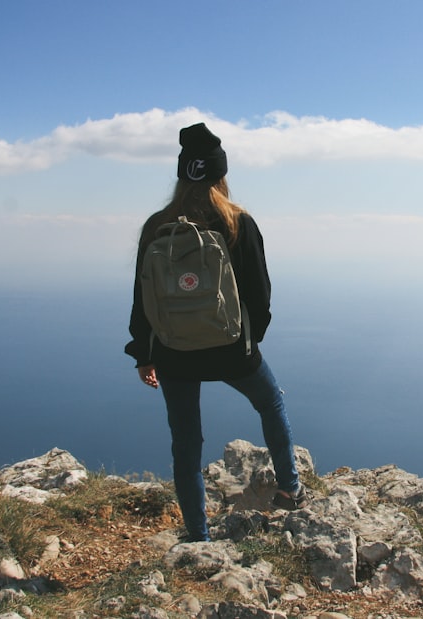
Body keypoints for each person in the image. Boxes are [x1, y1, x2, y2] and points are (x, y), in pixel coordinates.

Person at [125, 122, 307, 542]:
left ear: (181, 174)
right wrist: (248, 342)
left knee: (186, 444)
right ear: (220, 174)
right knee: (271, 404)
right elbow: (260, 295)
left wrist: (144, 354)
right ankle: (289, 488)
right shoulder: (238, 222)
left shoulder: (157, 227)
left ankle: (198, 535)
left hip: (172, 352)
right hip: (231, 350)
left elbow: (142, 296)